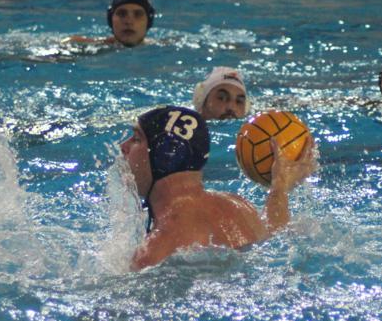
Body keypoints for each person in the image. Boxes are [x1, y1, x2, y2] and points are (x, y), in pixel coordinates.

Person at [119, 105, 314, 270]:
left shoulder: (156, 249)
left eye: (137, 139)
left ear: (164, 155)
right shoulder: (239, 206)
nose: (123, 146)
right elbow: (278, 235)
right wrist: (279, 187)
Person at [66, 0, 156, 48]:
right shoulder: (82, 46)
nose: (129, 21)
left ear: (149, 22)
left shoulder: (159, 47)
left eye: (138, 14)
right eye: (122, 14)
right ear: (110, 20)